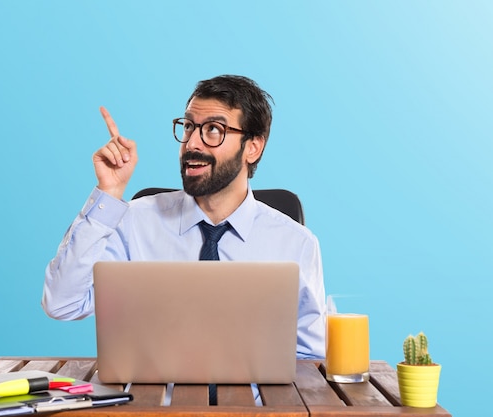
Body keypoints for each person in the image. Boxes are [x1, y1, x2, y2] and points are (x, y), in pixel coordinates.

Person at [42, 75, 326, 359]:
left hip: (255, 402)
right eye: (189, 126)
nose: (192, 143)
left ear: (253, 147)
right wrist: (108, 193)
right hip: (153, 401)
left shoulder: (297, 244)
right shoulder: (132, 222)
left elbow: (312, 359)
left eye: (214, 129)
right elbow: (62, 304)